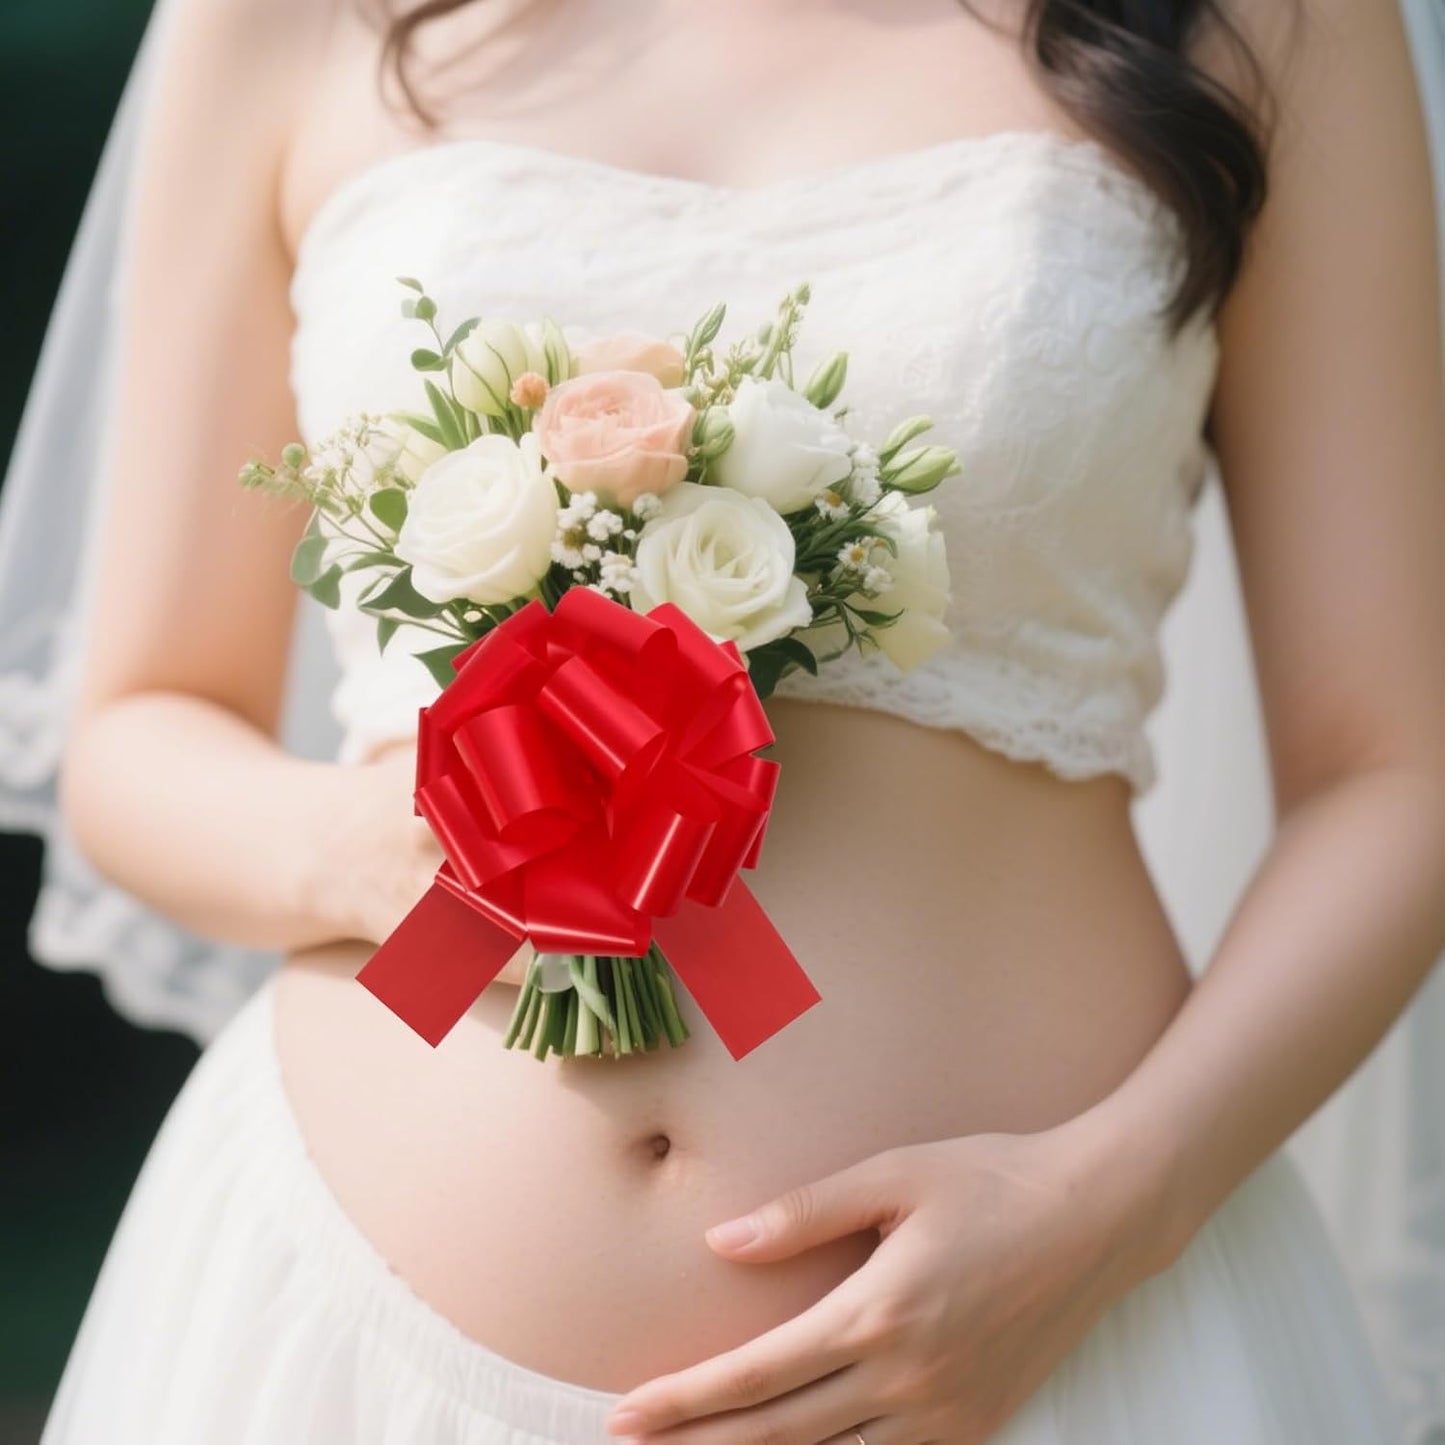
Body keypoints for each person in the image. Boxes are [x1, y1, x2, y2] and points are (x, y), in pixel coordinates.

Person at [5, 0, 1444, 1439]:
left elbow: (1394, 771)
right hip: (343, 1348)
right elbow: (139, 726)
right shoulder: (275, 21)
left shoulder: (1275, 22)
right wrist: (378, 849)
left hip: (1050, 1345)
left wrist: (1113, 1207)